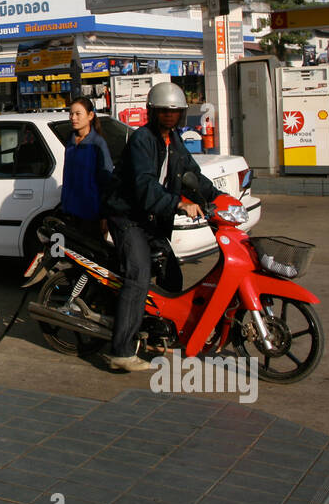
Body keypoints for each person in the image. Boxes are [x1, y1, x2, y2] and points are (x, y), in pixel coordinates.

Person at [100, 82, 215, 372]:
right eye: (164, 112)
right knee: (138, 274)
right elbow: (144, 185)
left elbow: (193, 175)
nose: (170, 117)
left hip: (147, 216)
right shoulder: (142, 139)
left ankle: (155, 332)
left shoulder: (174, 142)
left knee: (170, 272)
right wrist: (178, 204)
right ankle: (121, 351)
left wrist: (221, 198)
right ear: (153, 113)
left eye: (175, 113)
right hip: (126, 215)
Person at [59, 97, 113, 240]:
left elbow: (106, 181)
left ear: (90, 116)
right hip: (70, 212)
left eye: (78, 114)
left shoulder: (97, 144)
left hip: (91, 214)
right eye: (71, 114)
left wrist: (104, 216)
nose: (73, 118)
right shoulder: (70, 140)